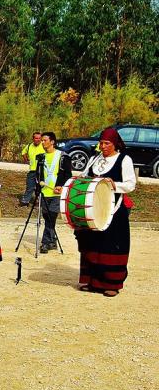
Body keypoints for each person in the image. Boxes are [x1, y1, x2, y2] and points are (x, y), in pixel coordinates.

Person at [75, 127, 135, 297]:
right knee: (92, 243)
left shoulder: (124, 159)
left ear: (115, 144)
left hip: (114, 210)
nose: (103, 146)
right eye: (101, 143)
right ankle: (91, 281)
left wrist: (114, 184)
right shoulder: (95, 159)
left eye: (107, 143)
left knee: (111, 244)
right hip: (93, 209)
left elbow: (130, 184)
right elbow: (84, 176)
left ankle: (111, 284)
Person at [38, 132, 72, 254]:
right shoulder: (41, 157)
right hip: (44, 192)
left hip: (57, 193)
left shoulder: (62, 156)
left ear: (52, 142)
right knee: (47, 217)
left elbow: (68, 174)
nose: (42, 143)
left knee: (51, 216)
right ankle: (53, 241)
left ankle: (45, 243)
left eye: (44, 140)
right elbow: (38, 174)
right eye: (41, 140)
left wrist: (62, 186)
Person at [20, 132, 45, 206]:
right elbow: (23, 152)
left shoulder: (44, 145)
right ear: (33, 138)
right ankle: (25, 201)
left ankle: (40, 202)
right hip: (32, 170)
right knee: (29, 186)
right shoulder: (29, 146)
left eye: (39, 138)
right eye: (36, 138)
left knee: (41, 187)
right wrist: (26, 160)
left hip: (42, 170)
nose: (37, 140)